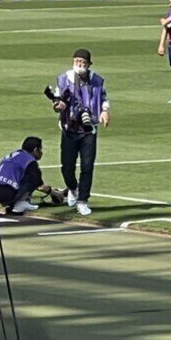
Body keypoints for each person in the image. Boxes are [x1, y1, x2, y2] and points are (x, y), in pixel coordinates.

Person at [52, 49, 109, 216]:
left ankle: (83, 200)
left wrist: (105, 111)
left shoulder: (97, 80)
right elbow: (57, 100)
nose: (80, 65)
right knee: (67, 167)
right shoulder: (64, 79)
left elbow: (103, 97)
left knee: (87, 166)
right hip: (69, 129)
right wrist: (58, 106)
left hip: (88, 130)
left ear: (89, 64)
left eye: (83, 62)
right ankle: (72, 187)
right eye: (77, 61)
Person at [0, 137, 64, 214]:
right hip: (8, 193)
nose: (41, 152)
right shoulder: (30, 161)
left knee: (19, 180)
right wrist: (56, 194)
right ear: (35, 150)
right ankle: (22, 202)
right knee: (32, 179)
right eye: (40, 149)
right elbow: (40, 186)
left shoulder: (12, 155)